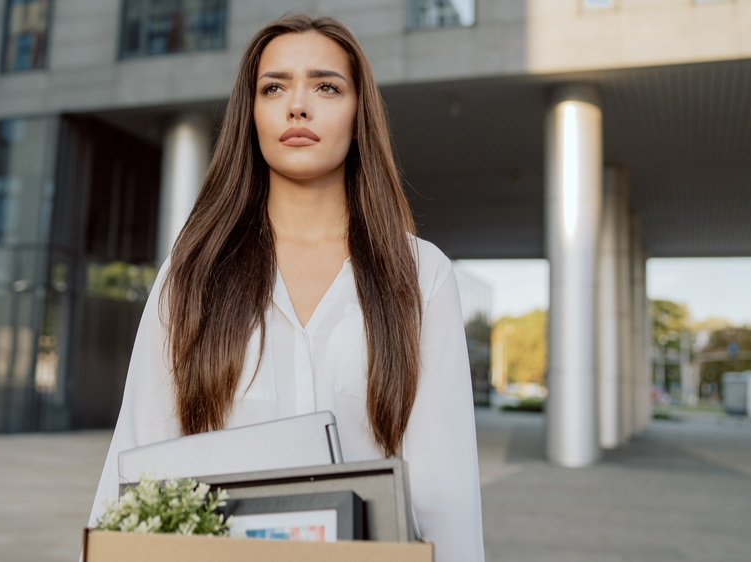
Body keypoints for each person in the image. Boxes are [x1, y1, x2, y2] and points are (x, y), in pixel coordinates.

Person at [87, 15, 484, 562]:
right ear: (251, 115)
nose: (298, 105)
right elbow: (137, 456)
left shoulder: (419, 275)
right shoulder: (193, 272)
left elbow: (446, 495)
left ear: (358, 113)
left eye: (326, 86)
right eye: (274, 87)